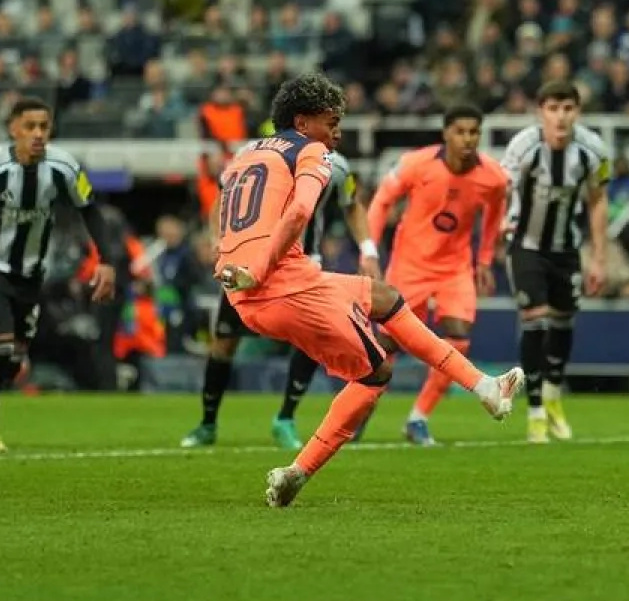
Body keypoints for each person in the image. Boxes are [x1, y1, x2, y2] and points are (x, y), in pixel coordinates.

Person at [213, 73, 522, 508]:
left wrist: (231, 262)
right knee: (375, 374)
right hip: (281, 285)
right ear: (303, 123)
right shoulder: (312, 150)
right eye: (331, 122)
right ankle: (296, 473)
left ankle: (485, 388)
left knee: (384, 298)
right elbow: (301, 209)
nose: (337, 133)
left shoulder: (247, 154)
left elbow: (221, 207)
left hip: (250, 289)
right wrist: (259, 268)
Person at [0, 97, 118, 452]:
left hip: (31, 274)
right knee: (0, 347)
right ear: (12, 129)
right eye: (29, 127)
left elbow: (89, 210)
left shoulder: (64, 166)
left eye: (43, 127)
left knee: (15, 362)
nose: (37, 134)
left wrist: (105, 260)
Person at [180, 145, 380, 451]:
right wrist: (217, 239)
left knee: (312, 343)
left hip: (303, 266)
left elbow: (351, 203)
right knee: (224, 342)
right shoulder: (249, 154)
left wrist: (367, 249)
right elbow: (223, 198)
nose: (335, 131)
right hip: (248, 262)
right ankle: (207, 423)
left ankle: (285, 418)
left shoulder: (335, 164)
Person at [365, 104, 508, 445]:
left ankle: (418, 418)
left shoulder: (494, 177)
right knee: (387, 344)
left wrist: (484, 260)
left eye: (474, 132)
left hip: (455, 267)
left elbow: (493, 217)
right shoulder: (416, 164)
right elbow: (382, 200)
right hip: (410, 265)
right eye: (460, 132)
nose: (467, 139)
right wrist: (368, 249)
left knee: (459, 336)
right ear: (446, 133)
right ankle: (357, 413)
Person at [499, 80, 610, 443]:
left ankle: (552, 396)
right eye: (553, 108)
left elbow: (597, 200)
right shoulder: (523, 146)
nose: (560, 117)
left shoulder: (593, 150)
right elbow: (503, 190)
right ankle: (534, 413)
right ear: (540, 112)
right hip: (526, 246)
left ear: (577, 112)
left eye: (568, 109)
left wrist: (599, 258)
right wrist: (504, 224)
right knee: (535, 322)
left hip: (567, 249)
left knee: (563, 323)